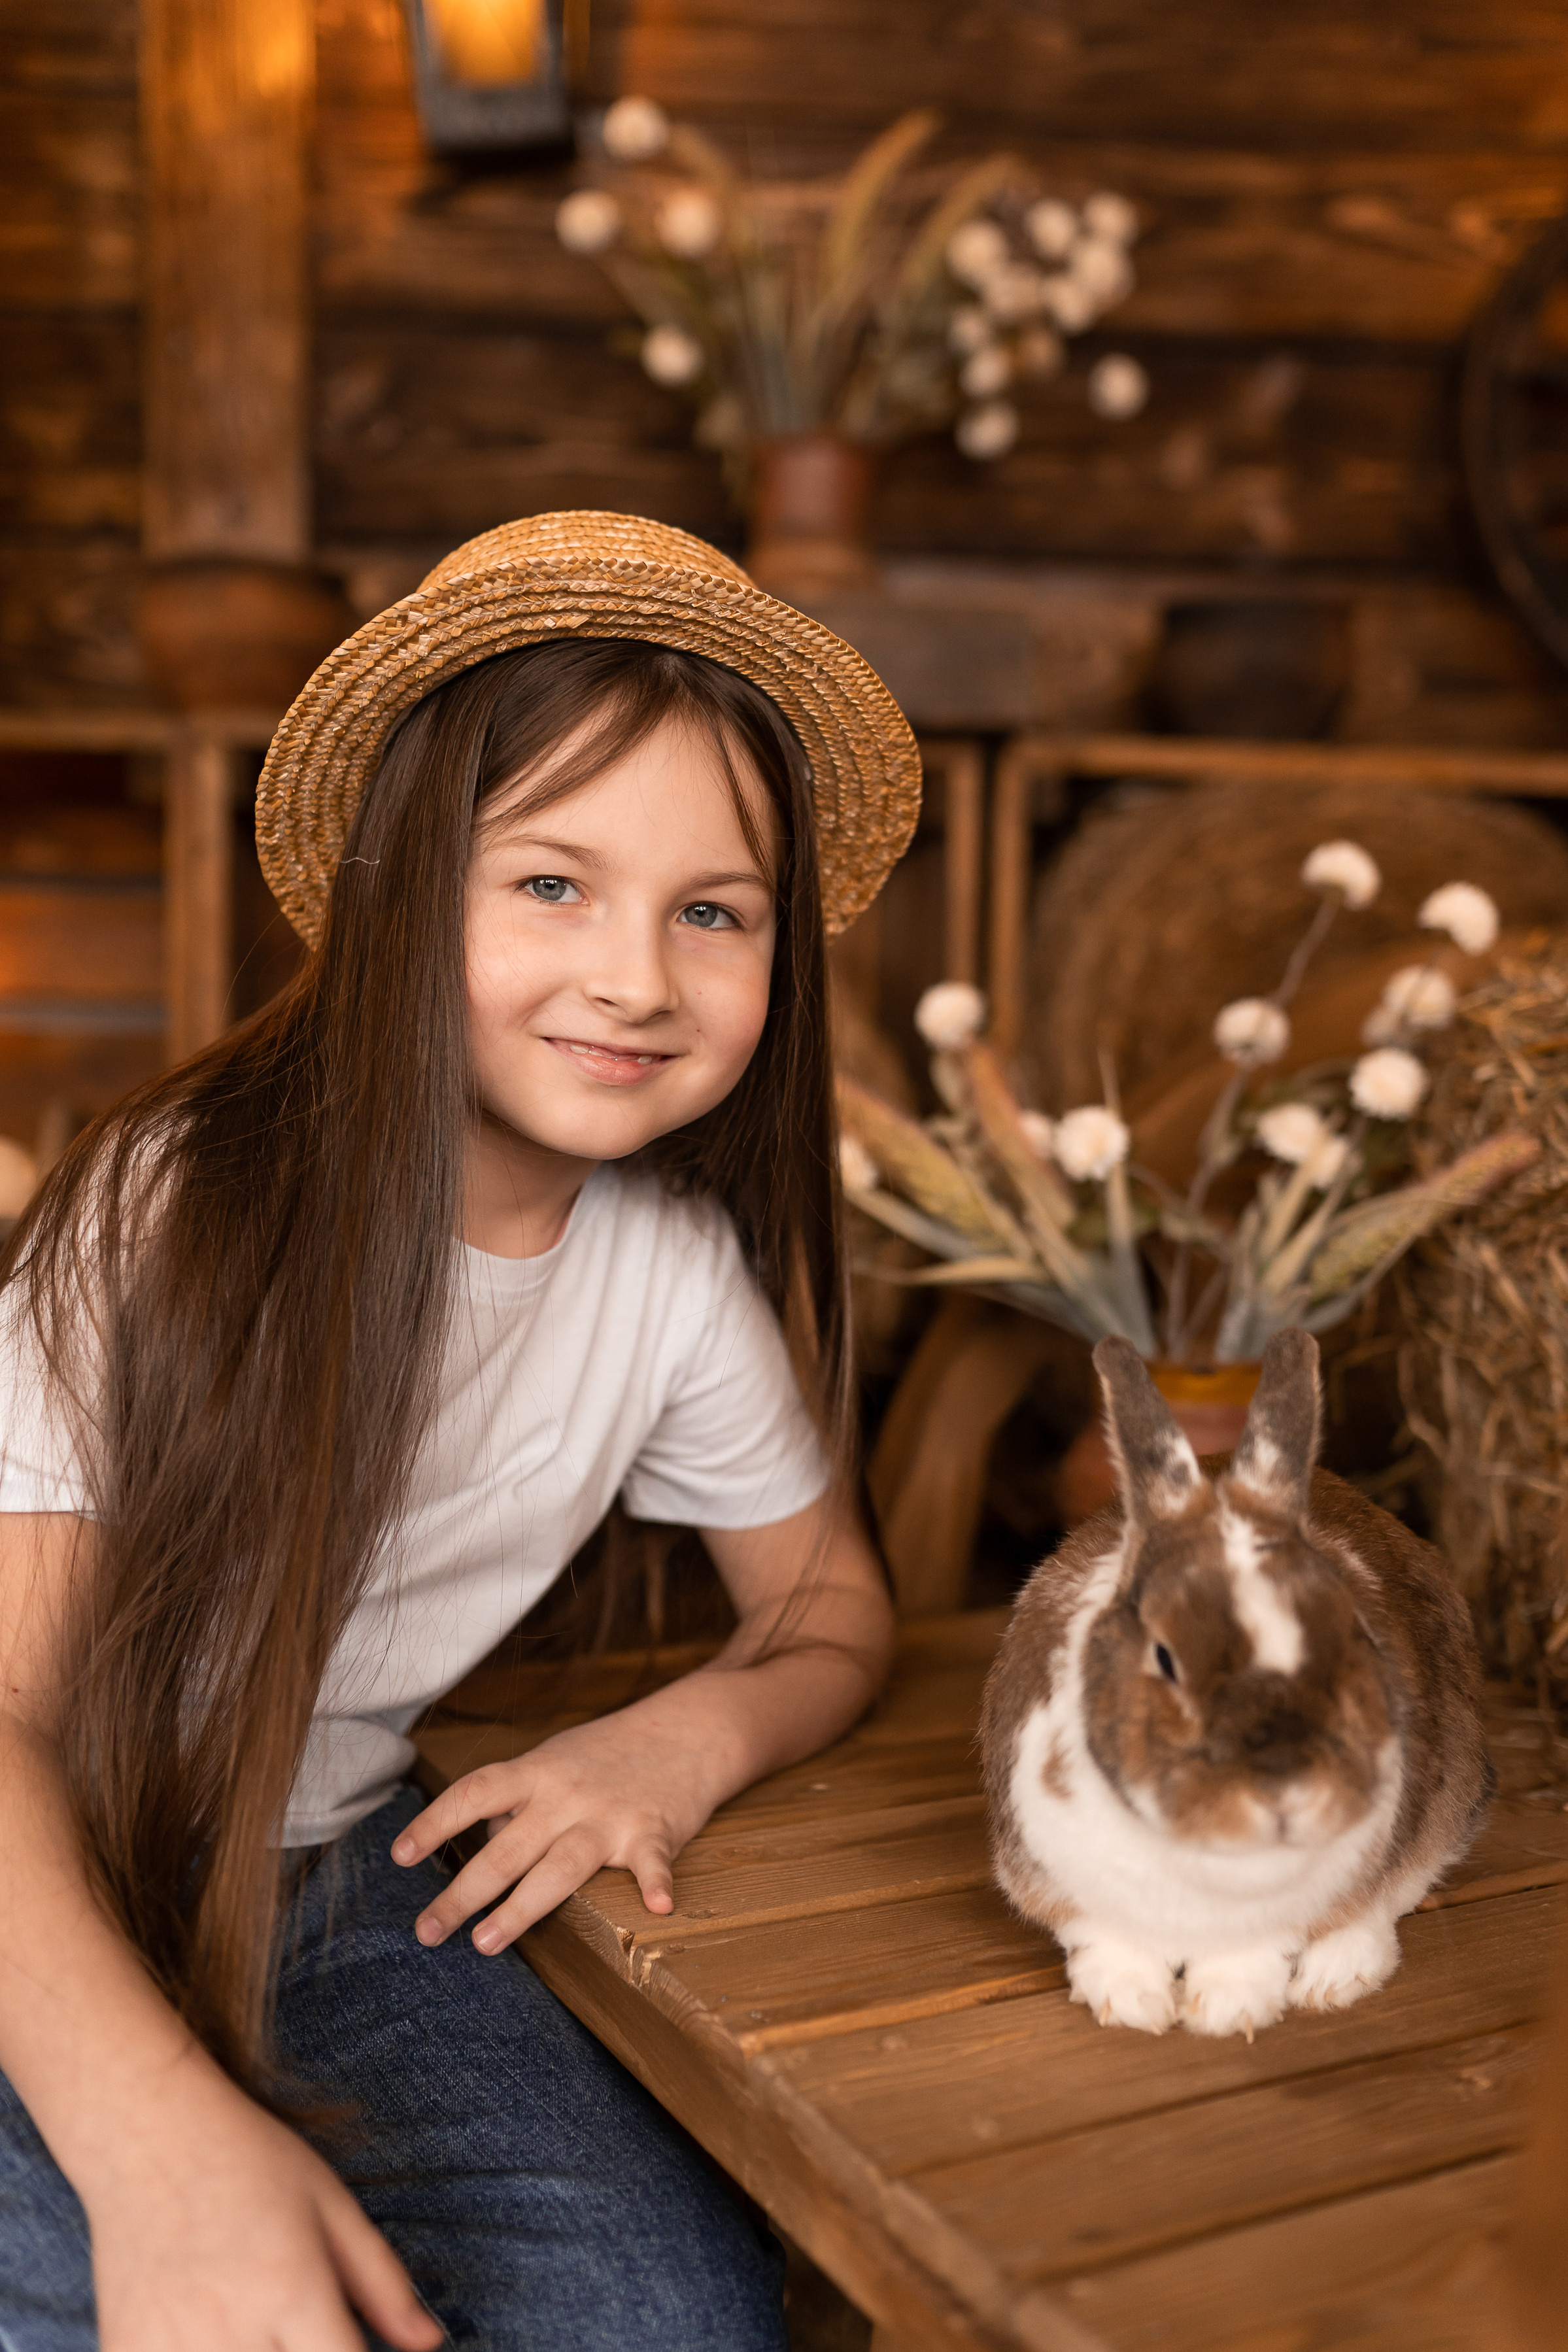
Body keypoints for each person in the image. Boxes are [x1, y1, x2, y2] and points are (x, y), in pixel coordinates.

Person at [0, 513, 921, 2351]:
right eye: (555, 885)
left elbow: (832, 1612)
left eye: (714, 910)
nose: (639, 977)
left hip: (336, 1877)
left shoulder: (670, 1283)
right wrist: (151, 2138)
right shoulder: (165, 1216)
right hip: (43, 1883)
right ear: (407, 886)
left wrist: (677, 1745)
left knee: (669, 2321)